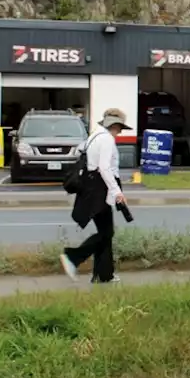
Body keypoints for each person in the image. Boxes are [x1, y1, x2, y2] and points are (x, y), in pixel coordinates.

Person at [60, 107, 131, 284]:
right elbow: (105, 168)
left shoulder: (94, 136)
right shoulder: (106, 139)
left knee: (105, 232)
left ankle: (103, 275)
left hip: (92, 187)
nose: (120, 132)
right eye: (119, 128)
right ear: (113, 125)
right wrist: (117, 192)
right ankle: (73, 257)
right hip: (101, 188)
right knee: (106, 233)